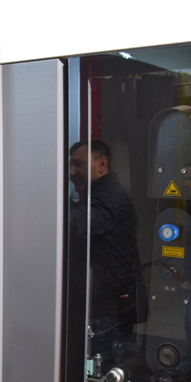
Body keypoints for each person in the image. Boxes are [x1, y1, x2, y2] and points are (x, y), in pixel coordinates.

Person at [68, 140, 138, 360]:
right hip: (97, 306)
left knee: (95, 373)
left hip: (102, 312)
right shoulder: (98, 196)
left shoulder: (110, 197)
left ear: (102, 164)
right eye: (70, 165)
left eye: (78, 164)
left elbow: (78, 222)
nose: (71, 172)